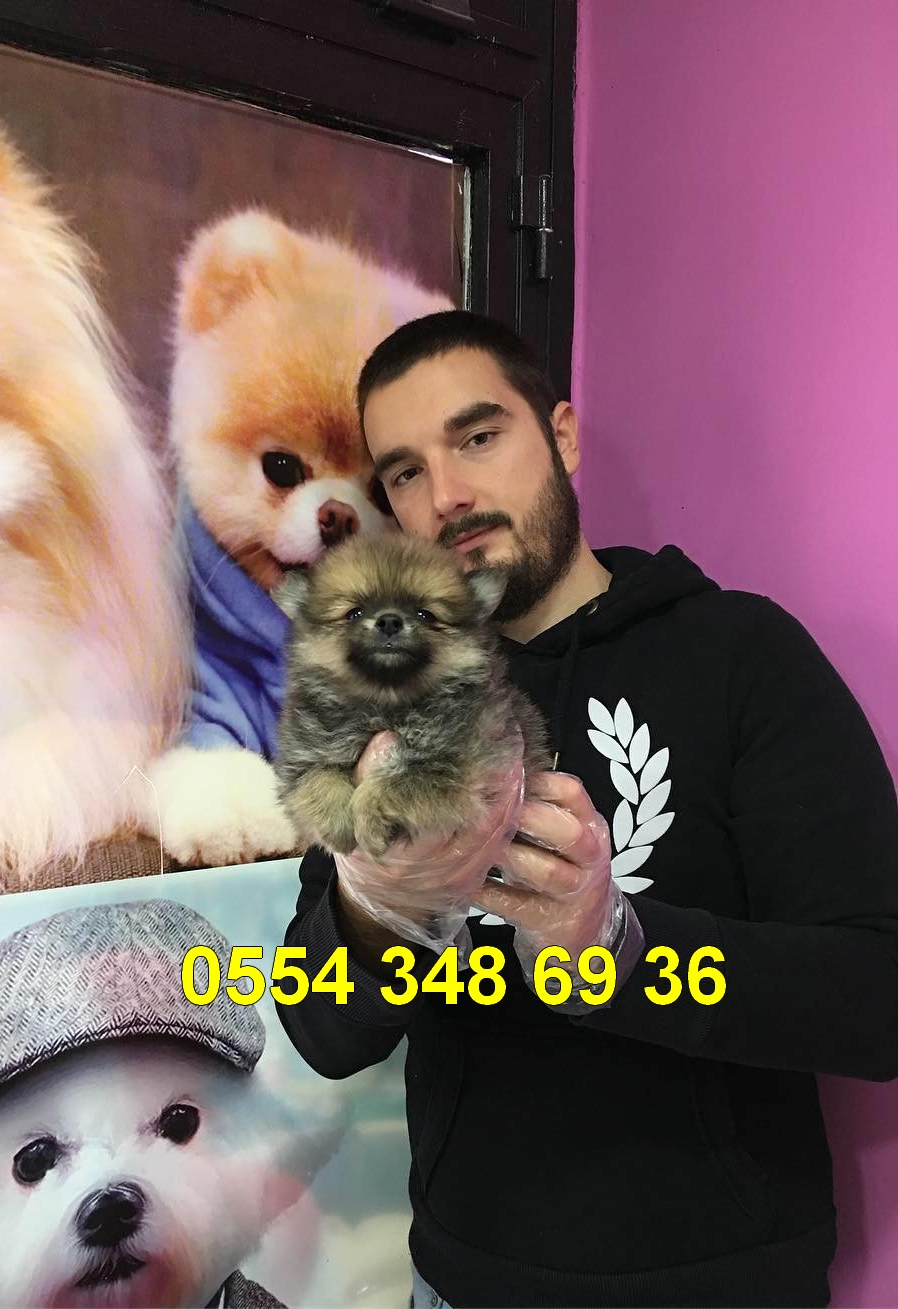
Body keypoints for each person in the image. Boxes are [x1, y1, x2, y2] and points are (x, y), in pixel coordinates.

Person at [272, 310, 898, 1309]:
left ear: (560, 436)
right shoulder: (383, 695)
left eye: (479, 436)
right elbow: (322, 1031)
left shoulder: (743, 657)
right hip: (464, 1282)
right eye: (405, 472)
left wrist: (617, 945)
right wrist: (378, 906)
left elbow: (876, 999)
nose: (448, 494)